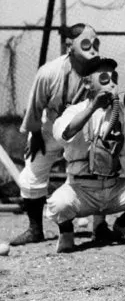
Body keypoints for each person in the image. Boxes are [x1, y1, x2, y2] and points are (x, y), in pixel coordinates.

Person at [44, 57, 125, 252]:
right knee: (58, 204)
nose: (111, 82)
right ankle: (67, 233)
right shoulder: (75, 111)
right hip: (81, 190)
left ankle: (122, 225)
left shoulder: (122, 112)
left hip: (112, 189)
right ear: (87, 83)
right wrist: (93, 106)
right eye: (103, 77)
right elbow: (64, 134)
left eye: (114, 78)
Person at [10, 23, 108, 246]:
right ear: (69, 45)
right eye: (85, 43)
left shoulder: (102, 72)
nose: (92, 48)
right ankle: (35, 229)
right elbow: (35, 106)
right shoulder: (49, 72)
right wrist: (35, 136)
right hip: (49, 129)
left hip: (82, 130)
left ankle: (100, 227)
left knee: (98, 167)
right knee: (31, 175)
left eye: (96, 43)